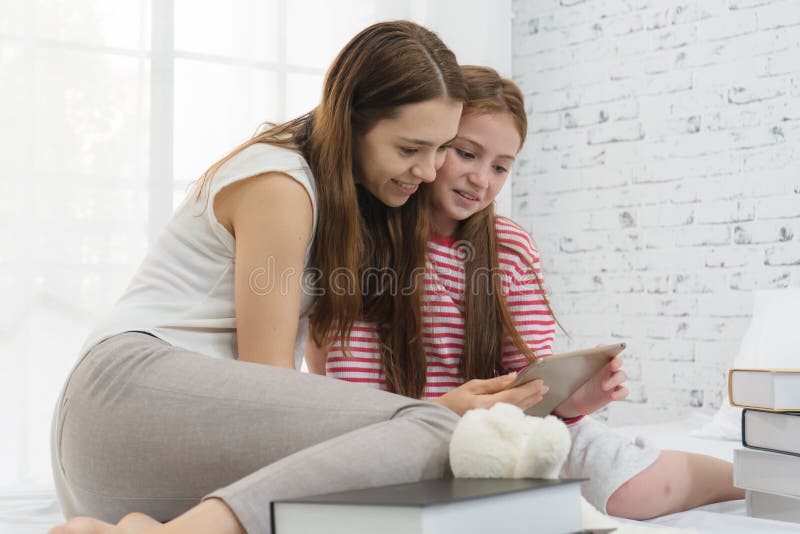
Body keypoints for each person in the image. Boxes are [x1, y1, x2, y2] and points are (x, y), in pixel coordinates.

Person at [47, 21, 532, 534]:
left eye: (439, 149)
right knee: (433, 426)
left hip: (162, 444)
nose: (430, 171)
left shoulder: (344, 200)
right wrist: (428, 412)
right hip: (127, 397)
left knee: (421, 434)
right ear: (351, 124)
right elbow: (269, 383)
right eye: (410, 149)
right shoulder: (282, 185)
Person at [309, 65, 745, 520]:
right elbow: (346, 388)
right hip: (403, 435)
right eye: (466, 154)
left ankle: (753, 476)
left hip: (510, 429)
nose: (482, 179)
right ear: (433, 143)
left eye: (500, 167)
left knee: (638, 492)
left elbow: (531, 386)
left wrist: (574, 401)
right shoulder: (361, 242)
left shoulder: (510, 247)